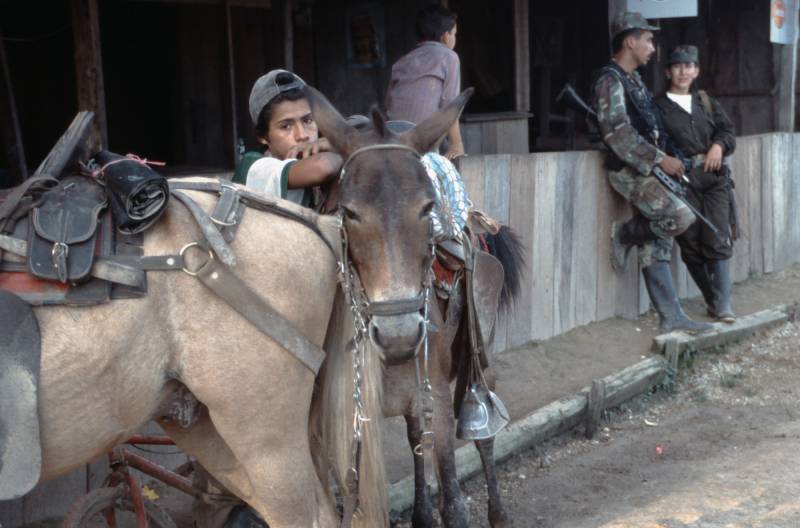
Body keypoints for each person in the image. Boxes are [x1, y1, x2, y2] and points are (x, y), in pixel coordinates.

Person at [593, 12, 712, 333]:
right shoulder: (610, 80)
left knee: (658, 241)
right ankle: (624, 234)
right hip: (627, 170)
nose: (652, 47)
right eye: (648, 40)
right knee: (681, 216)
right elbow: (617, 134)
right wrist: (660, 160)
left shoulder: (634, 81)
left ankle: (670, 317)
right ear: (630, 41)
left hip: (646, 169)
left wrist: (670, 161)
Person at [655, 45, 737, 323]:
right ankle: (712, 301)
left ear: (697, 70)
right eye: (677, 66)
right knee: (690, 243)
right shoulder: (658, 107)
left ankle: (724, 305)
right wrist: (667, 160)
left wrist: (717, 146)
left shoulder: (706, 102)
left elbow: (728, 132)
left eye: (689, 66)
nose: (683, 71)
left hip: (713, 177)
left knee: (717, 236)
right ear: (668, 71)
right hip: (680, 180)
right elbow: (653, 143)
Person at [243, 69, 343, 206]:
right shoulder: (254, 166)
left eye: (308, 121)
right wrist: (342, 147)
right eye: (286, 126)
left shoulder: (326, 153)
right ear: (263, 137)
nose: (302, 136)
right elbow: (323, 167)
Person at [385, 4, 465, 160]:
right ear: (446, 36)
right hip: (421, 139)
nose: (454, 38)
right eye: (454, 34)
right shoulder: (449, 57)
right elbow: (451, 106)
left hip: (390, 135)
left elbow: (388, 104)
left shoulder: (401, 62)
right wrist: (457, 145)